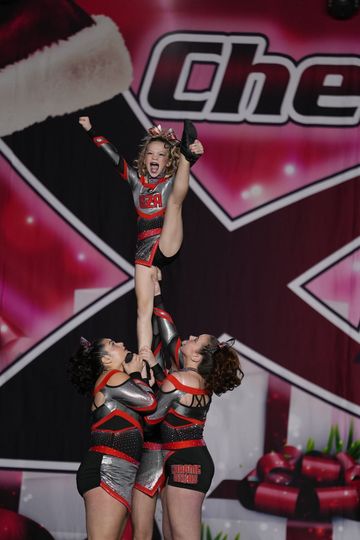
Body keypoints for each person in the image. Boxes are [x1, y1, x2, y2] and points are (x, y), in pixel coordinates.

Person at [78, 116, 204, 355]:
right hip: (145, 249)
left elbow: (179, 189)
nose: (155, 158)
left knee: (176, 203)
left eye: (161, 155)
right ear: (144, 158)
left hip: (167, 241)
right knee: (142, 308)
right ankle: (145, 353)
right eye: (151, 154)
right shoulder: (136, 181)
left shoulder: (168, 182)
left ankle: (186, 154)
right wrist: (90, 130)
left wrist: (192, 155)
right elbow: (114, 156)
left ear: (168, 162)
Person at [143, 278, 244, 540]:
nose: (189, 338)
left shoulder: (179, 380)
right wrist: (157, 296)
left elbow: (152, 419)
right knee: (173, 535)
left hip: (186, 462)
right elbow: (171, 336)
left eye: (195, 339)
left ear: (197, 357)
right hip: (184, 460)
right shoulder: (198, 380)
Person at [68, 337, 157, 540]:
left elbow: (150, 416)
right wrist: (136, 374)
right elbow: (149, 403)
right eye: (113, 344)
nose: (122, 344)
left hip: (120, 470)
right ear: (106, 360)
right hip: (107, 469)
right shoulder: (113, 377)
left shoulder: (116, 378)